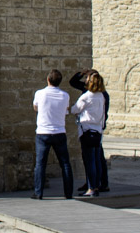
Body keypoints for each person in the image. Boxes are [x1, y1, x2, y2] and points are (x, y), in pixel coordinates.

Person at [31, 69, 73, 200]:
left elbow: (35, 107)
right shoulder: (65, 95)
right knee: (65, 163)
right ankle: (68, 193)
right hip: (59, 131)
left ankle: (38, 192)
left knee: (40, 164)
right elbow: (66, 110)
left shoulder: (40, 93)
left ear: (48, 80)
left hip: (43, 132)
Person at [70, 69, 110, 193]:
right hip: (97, 129)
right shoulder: (99, 95)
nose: (85, 78)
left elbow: (74, 110)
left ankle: (96, 185)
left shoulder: (89, 95)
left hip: (90, 130)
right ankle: (92, 183)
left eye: (88, 77)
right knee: (94, 158)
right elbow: (73, 82)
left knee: (94, 158)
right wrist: (81, 73)